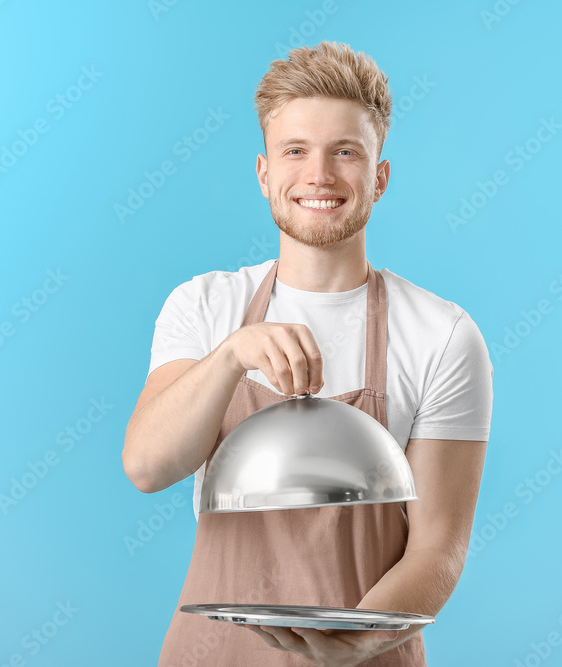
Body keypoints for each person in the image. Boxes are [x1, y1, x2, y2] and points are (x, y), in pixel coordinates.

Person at [121, 41, 493, 666]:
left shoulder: (445, 335)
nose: (318, 175)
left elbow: (438, 551)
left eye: (345, 151)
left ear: (379, 175)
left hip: (371, 657)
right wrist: (232, 355)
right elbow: (148, 466)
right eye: (295, 150)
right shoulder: (204, 306)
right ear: (265, 172)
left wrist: (354, 645)